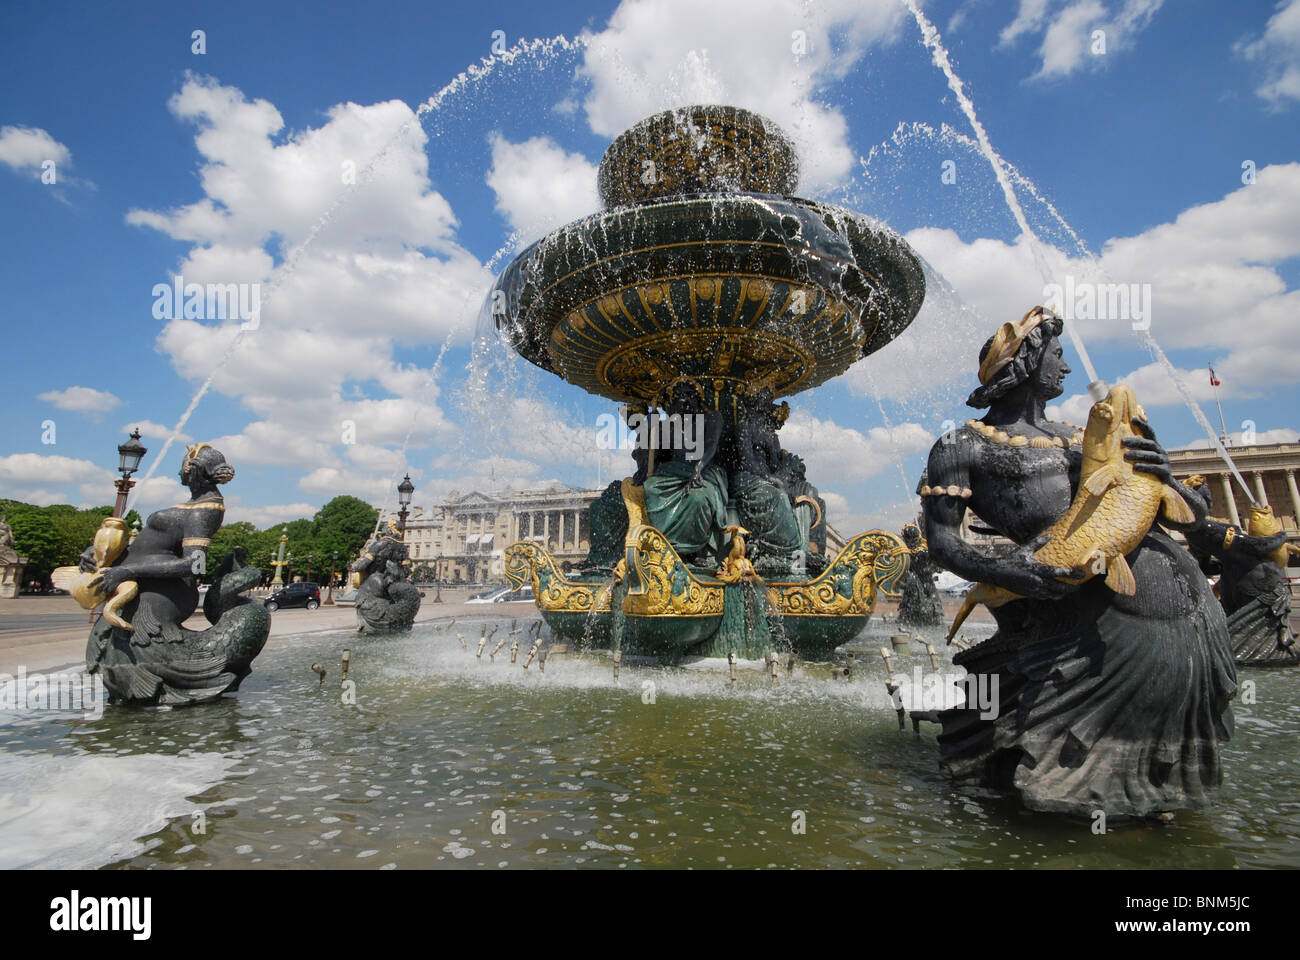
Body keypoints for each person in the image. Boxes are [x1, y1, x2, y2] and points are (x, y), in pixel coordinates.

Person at [920, 306, 1235, 818]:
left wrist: (1168, 476)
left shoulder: (1086, 433)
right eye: (1057, 355)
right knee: (1078, 774)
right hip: (1087, 616)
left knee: (1161, 762)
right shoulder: (962, 444)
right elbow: (941, 542)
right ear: (1025, 360)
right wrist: (1004, 572)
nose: (1067, 369)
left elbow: (1190, 518)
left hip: (1189, 613)